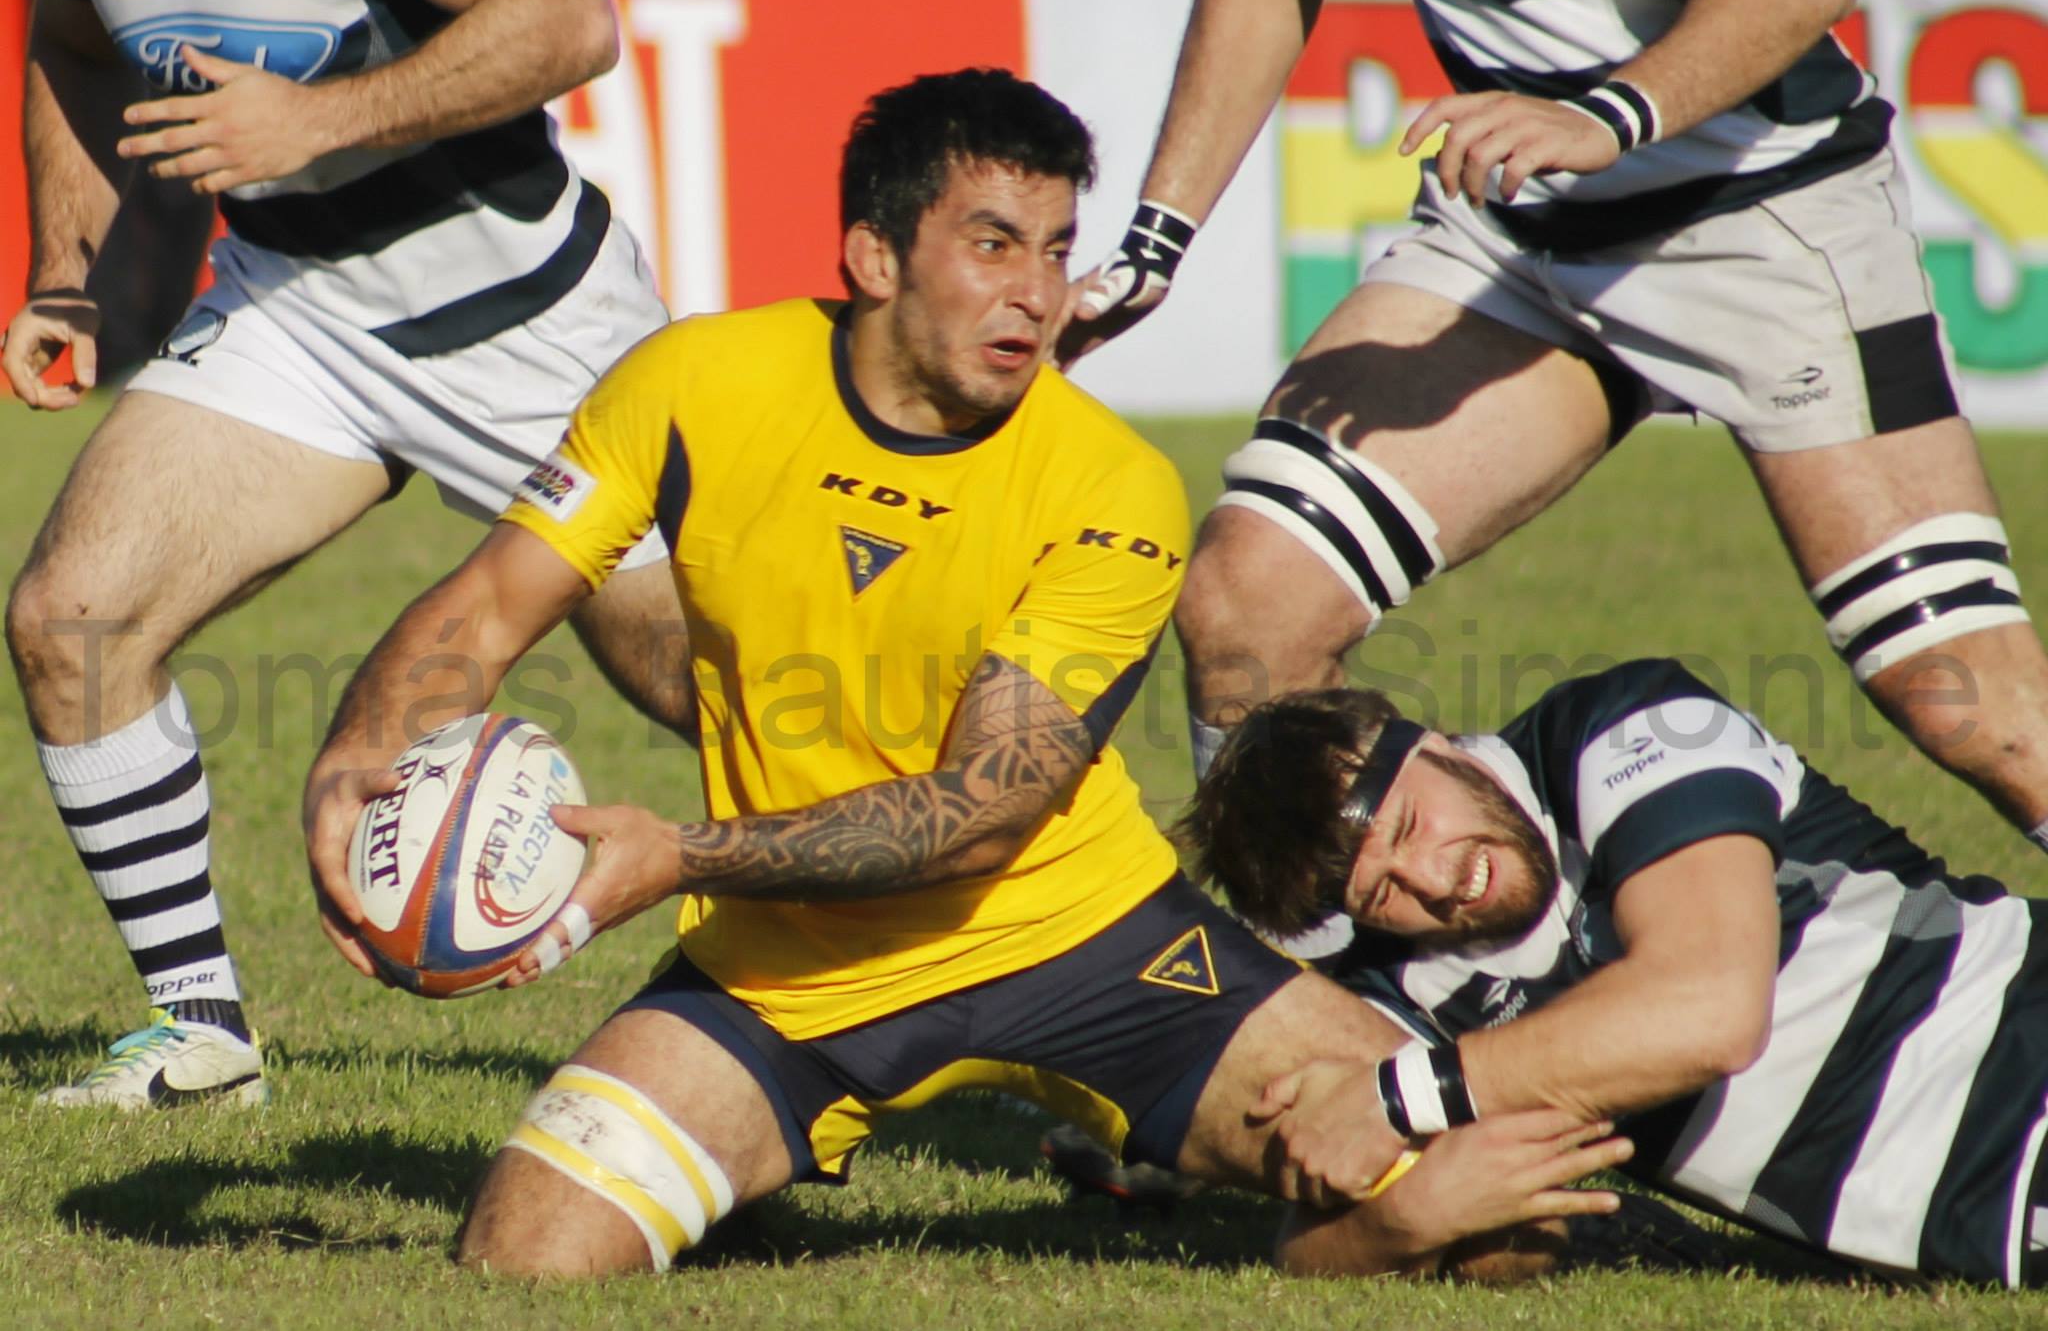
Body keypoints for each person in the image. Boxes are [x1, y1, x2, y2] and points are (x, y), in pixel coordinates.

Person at [299, 68, 1630, 1279]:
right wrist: (360, 773)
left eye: (1055, 250)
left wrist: (680, 855)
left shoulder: (1110, 483)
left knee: (1510, 1216)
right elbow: (482, 606)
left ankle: (1195, 1165)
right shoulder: (692, 382)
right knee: (525, 1259)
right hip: (790, 974)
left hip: (1088, 936)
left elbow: (981, 805)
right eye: (993, 245)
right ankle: (752, 1154)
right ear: (873, 254)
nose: (1039, 294)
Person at [1057, 0, 2048, 853]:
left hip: (1765, 227)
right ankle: (1321, 1029)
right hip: (1519, 232)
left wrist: (1604, 119)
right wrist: (1156, 236)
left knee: (1968, 699)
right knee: (1253, 600)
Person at [3, 0, 690, 1109]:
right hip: (296, 313)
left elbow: (572, 24)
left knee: (721, 690)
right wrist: (67, 280)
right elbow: (73, 44)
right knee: (70, 617)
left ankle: (976, 983)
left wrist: (316, 120)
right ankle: (201, 1038)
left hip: (534, 323)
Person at [1181, 657, 2048, 1286]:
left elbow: (1709, 1012)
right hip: (1986, 1223)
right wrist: (1407, 1218)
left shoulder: (1631, 724)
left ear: (1435, 745)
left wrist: (1400, 1098)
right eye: (1382, 892)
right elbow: (1312, 1247)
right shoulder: (1396, 990)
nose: (1436, 880)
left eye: (1410, 825)